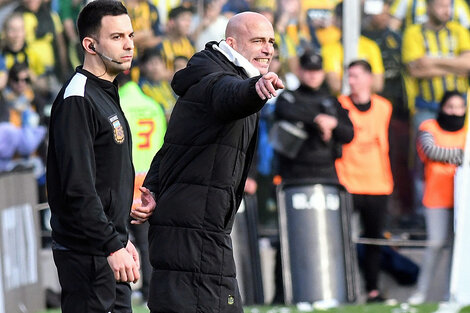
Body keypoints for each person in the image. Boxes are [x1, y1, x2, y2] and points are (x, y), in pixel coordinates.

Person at [138, 11, 284, 313]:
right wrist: (255, 91)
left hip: (197, 225)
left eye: (271, 42)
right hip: (193, 229)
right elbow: (228, 95)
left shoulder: (216, 75)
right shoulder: (216, 80)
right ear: (231, 42)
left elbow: (173, 146)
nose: (267, 49)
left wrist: (151, 187)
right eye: (257, 41)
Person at [46, 1, 153, 312]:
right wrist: (110, 243)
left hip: (108, 248)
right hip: (88, 254)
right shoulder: (77, 98)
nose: (129, 44)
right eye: (117, 37)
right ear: (90, 45)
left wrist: (120, 236)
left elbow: (106, 177)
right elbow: (78, 188)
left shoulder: (104, 90)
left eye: (130, 35)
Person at [335, 60, 394, 302]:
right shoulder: (340, 104)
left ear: (370, 79)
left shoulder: (384, 107)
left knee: (374, 240)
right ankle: (343, 289)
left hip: (378, 183)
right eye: (349, 77)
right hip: (347, 181)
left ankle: (373, 289)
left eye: (357, 76)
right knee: (341, 239)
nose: (352, 81)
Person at [408, 91, 466, 304]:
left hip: (462, 200)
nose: (455, 112)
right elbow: (431, 151)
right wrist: (461, 155)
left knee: (456, 250)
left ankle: (450, 294)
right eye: (450, 106)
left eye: (459, 107)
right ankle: (420, 293)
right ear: (442, 107)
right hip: (437, 198)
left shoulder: (467, 130)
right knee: (435, 244)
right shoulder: (429, 127)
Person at [116, 70, 167, 304]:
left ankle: (118, 289)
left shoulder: (118, 105)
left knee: (116, 236)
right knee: (146, 242)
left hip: (124, 177)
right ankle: (150, 291)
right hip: (148, 179)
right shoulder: (152, 105)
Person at [274, 49, 354, 181]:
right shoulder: (289, 97)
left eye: (316, 71)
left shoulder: (332, 101)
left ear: (322, 73)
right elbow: (284, 110)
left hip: (326, 172)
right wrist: (317, 119)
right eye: (309, 70)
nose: (313, 75)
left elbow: (349, 135)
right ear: (299, 71)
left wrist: (334, 124)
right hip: (294, 172)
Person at [321, 2, 385, 95]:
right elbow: (335, 85)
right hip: (341, 103)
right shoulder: (329, 49)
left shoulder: (370, 46)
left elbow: (377, 85)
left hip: (366, 103)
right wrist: (362, 83)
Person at [389, 0, 470, 31]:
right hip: (415, 48)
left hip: (450, 53)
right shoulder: (407, 1)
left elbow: (466, 31)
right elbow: (392, 26)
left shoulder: (458, 3)